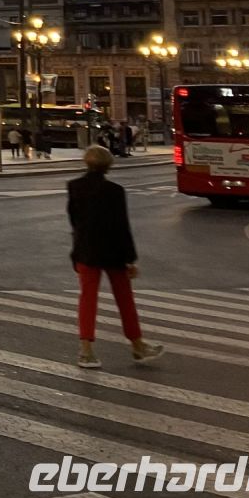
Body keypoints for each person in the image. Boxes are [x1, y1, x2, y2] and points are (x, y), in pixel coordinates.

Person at [66, 144, 163, 369]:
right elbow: (121, 227)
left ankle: (86, 351)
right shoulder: (115, 191)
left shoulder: (74, 187)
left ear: (86, 162)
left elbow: (75, 222)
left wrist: (76, 250)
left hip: (85, 250)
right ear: (109, 165)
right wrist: (130, 258)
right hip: (113, 252)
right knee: (124, 300)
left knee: (87, 299)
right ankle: (137, 345)